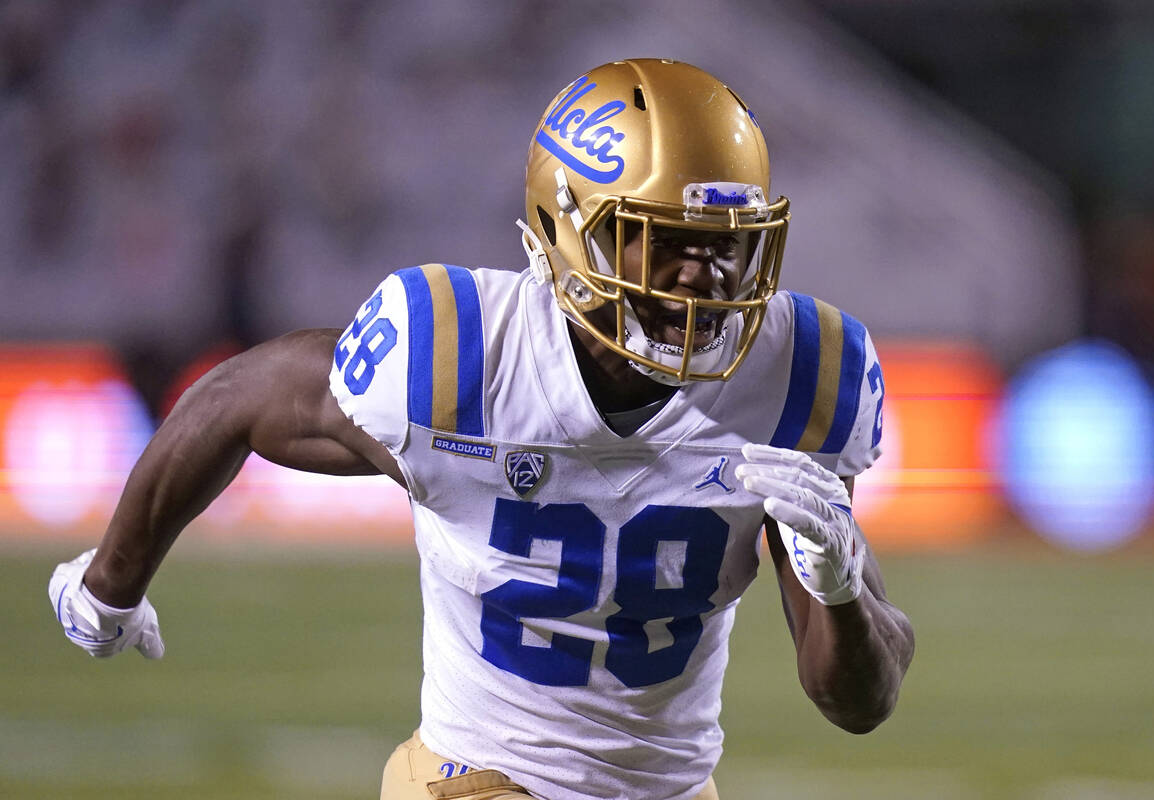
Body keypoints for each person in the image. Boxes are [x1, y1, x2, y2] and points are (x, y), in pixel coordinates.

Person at [49, 58, 914, 800]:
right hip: (476, 775)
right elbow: (237, 398)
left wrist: (839, 589)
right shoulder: (460, 356)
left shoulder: (800, 375)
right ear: (565, 232)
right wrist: (110, 582)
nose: (708, 280)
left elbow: (860, 702)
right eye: (665, 241)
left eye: (728, 243)